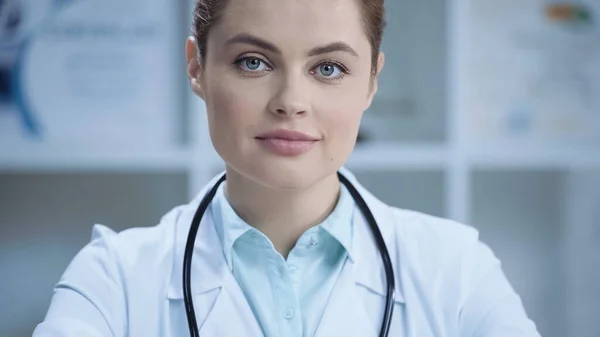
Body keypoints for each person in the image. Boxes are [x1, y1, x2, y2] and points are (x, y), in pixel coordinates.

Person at [33, 0, 541, 336]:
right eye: (254, 61)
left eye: (329, 68)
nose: (291, 102)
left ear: (370, 81)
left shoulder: (457, 273)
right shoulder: (112, 282)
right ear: (196, 68)